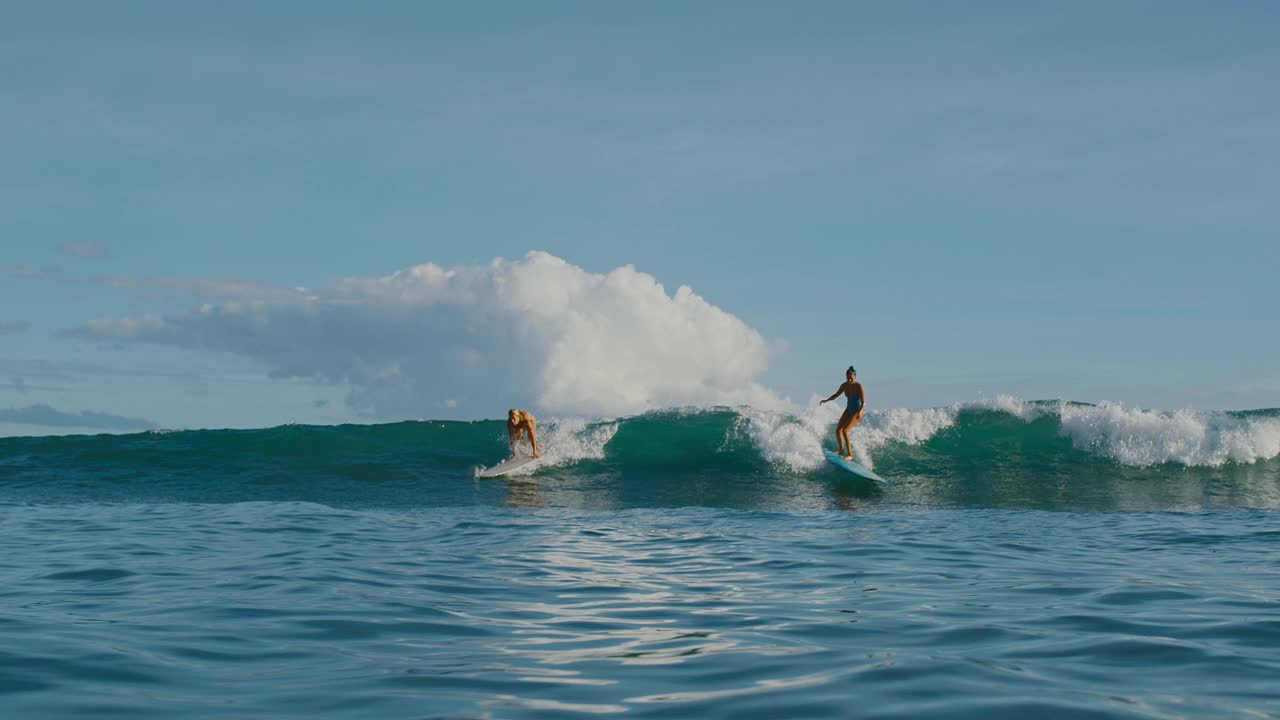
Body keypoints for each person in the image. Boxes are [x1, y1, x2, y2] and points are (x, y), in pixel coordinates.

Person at [819, 366, 865, 460]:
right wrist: (826, 400)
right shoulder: (844, 385)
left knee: (845, 431)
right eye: (848, 378)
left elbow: (863, 402)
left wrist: (860, 412)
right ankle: (841, 450)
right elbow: (836, 395)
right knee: (838, 430)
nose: (849, 380)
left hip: (857, 411)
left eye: (851, 378)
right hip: (849, 410)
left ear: (855, 376)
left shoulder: (858, 386)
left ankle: (850, 455)